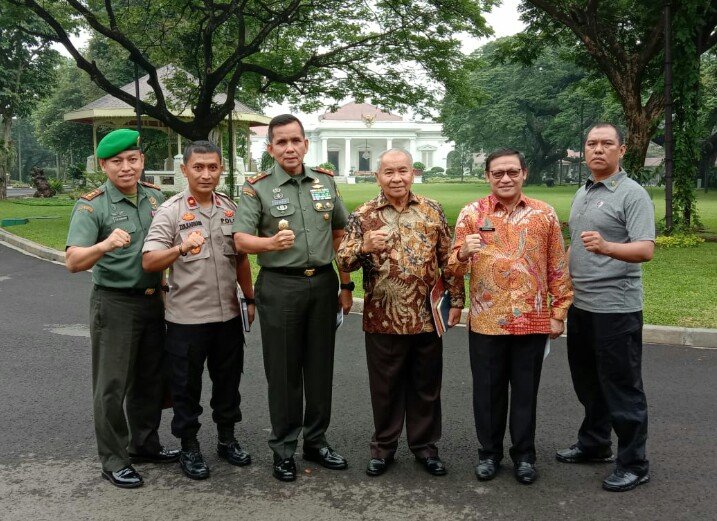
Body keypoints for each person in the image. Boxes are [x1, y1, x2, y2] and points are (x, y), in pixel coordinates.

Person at [232, 114, 353, 482]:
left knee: (320, 368)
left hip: (322, 284)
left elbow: (340, 233)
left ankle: (316, 441)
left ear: (305, 144)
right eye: (281, 142)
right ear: (270, 148)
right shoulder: (257, 187)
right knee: (284, 372)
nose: (289, 148)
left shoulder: (325, 182)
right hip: (280, 287)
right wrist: (270, 243)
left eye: (295, 140)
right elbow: (240, 239)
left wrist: (346, 284)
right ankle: (284, 448)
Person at [447, 148, 573, 485]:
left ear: (524, 174)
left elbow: (557, 266)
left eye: (512, 172)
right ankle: (489, 454)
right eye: (498, 173)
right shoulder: (471, 214)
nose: (505, 178)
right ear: (487, 176)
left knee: (525, 392)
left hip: (531, 318)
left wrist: (559, 312)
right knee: (487, 393)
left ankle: (524, 456)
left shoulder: (544, 214)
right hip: (487, 320)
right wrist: (462, 253)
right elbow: (451, 268)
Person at [336, 149, 464, 478]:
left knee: (426, 387)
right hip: (383, 317)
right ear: (377, 176)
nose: (397, 178)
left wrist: (457, 299)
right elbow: (343, 259)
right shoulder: (363, 215)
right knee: (386, 389)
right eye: (389, 172)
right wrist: (364, 246)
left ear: (412, 173)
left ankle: (425, 447)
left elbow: (448, 259)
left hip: (426, 316)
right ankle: (384, 447)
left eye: (403, 171)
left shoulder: (432, 210)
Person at [65, 128, 178, 489]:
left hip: (153, 301)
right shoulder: (92, 205)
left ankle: (144, 445)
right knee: (112, 385)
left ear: (142, 160)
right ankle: (114, 459)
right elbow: (73, 261)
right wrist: (104, 245)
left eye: (132, 159)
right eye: (117, 161)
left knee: (150, 379)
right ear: (103, 165)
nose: (126, 167)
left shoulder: (156, 197)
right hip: (114, 303)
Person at [142, 141, 255, 480]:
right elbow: (150, 260)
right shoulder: (170, 211)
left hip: (227, 318)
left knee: (228, 384)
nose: (206, 174)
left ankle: (227, 439)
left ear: (221, 169)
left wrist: (249, 300)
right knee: (185, 388)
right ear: (185, 170)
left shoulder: (230, 208)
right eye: (198, 167)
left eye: (212, 167)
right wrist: (179, 248)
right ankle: (189, 446)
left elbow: (241, 258)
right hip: (187, 320)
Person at [556, 123, 655, 492]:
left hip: (616, 308)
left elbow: (645, 249)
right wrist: (562, 279)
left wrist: (607, 247)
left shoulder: (632, 194)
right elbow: (577, 245)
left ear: (622, 150)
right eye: (591, 143)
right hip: (582, 306)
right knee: (589, 383)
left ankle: (634, 463)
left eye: (606, 144)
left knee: (622, 388)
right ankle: (595, 443)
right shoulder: (583, 191)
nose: (598, 150)